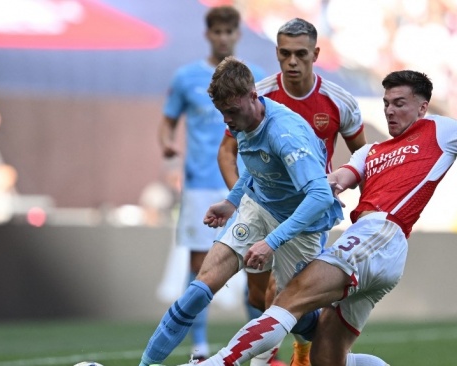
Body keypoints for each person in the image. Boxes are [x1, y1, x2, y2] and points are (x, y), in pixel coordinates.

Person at [198, 70, 457, 366]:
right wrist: (310, 183)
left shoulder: (439, 130)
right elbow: (335, 180)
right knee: (326, 356)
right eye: (386, 103)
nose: (390, 110)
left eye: (399, 103)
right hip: (372, 244)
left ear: (422, 106)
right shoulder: (369, 152)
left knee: (290, 296)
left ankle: (217, 363)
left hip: (382, 233)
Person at [139, 56, 344, 366]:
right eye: (222, 113)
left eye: (231, 112)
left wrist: (272, 241)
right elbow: (256, 165)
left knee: (296, 317)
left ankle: (343, 351)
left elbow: (319, 197)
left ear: (253, 96)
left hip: (301, 226)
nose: (227, 122)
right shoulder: (243, 119)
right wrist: (232, 201)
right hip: (258, 207)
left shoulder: (285, 135)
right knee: (199, 288)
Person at [217, 17, 366, 366]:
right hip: (263, 207)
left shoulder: (338, 101)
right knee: (258, 294)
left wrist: (351, 191)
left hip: (307, 213)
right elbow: (227, 151)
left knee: (286, 292)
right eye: (285, 54)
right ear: (277, 53)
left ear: (316, 53)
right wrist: (241, 200)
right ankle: (298, 346)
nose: (292, 62)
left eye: (301, 54)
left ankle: (284, 357)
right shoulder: (258, 94)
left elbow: (363, 155)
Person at [155, 5, 265, 361]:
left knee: (255, 265)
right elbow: (167, 120)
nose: (223, 38)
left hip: (244, 182)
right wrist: (166, 143)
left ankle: (259, 346)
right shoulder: (187, 77)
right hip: (201, 184)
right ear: (208, 35)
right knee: (202, 268)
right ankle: (199, 349)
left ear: (238, 35)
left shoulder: (256, 78)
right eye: (217, 32)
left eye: (229, 32)